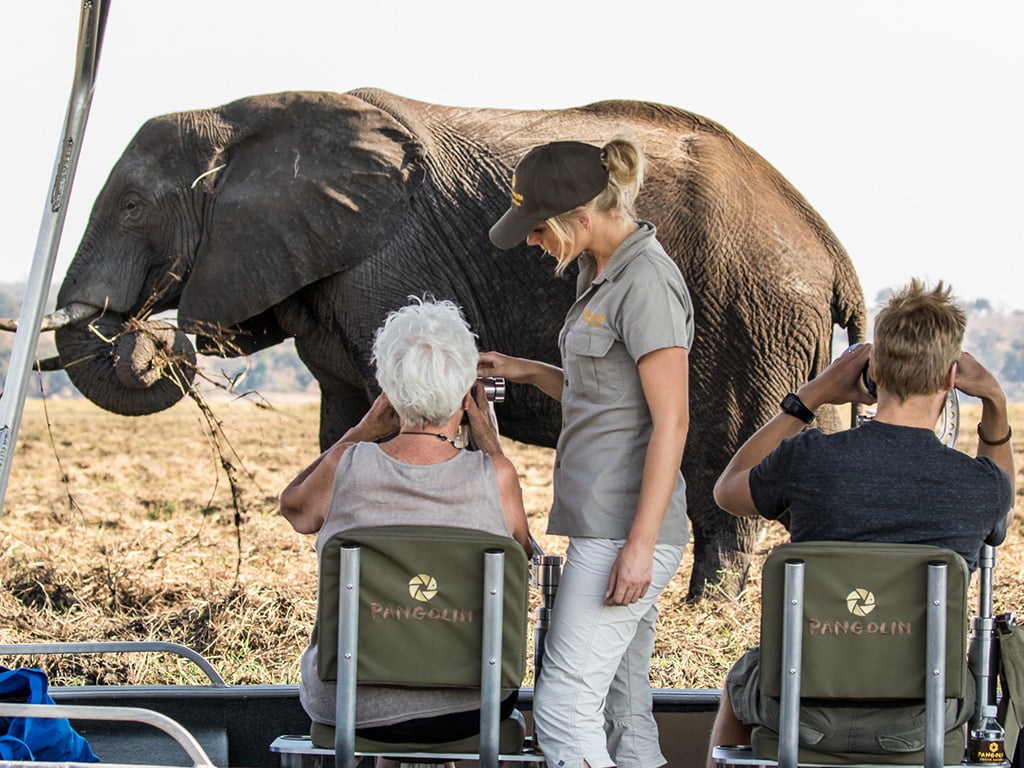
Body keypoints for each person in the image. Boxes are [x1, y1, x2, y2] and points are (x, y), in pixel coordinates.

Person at [706, 279, 1016, 766]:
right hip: (924, 720)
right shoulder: (981, 487)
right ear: (951, 378)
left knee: (743, 677)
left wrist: (809, 397)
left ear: (871, 371)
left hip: (799, 711)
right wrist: (995, 403)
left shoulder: (808, 460)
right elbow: (1003, 493)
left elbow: (727, 491)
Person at [483, 138, 693, 768]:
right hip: (603, 522)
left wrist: (638, 544)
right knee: (622, 715)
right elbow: (600, 393)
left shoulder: (647, 281)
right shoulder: (597, 271)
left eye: (537, 228)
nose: (530, 241)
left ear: (579, 217)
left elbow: (673, 420)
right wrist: (522, 370)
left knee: (562, 707)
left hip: (624, 528)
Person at [279, 298, 533, 761]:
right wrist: (493, 447)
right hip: (472, 708)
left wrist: (360, 430)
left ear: (389, 393)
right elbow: (522, 558)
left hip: (350, 708)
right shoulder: (497, 476)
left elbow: (294, 507)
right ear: (465, 394)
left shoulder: (345, 466)